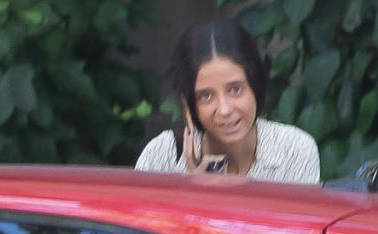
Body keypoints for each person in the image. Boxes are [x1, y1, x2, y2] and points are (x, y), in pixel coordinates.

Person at [134, 16, 320, 183]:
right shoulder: (163, 156)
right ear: (189, 103)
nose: (224, 110)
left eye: (235, 89)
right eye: (206, 96)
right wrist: (192, 190)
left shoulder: (294, 150)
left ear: (255, 86)